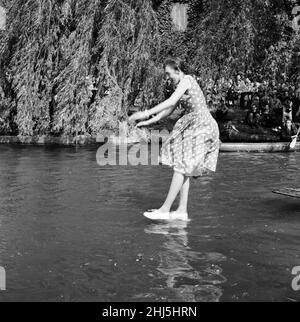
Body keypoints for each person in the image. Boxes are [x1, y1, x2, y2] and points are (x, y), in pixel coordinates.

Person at [129, 57, 220, 221]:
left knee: (181, 166)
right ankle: (181, 211)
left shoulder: (187, 80)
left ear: (177, 70)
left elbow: (170, 101)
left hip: (202, 126)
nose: (167, 77)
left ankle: (165, 209)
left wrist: (145, 112)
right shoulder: (180, 86)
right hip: (196, 126)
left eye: (168, 73)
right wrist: (147, 121)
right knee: (184, 167)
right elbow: (169, 110)